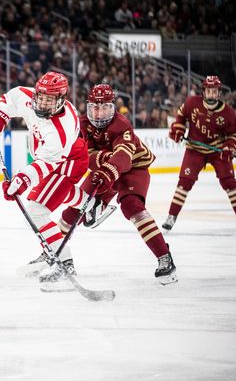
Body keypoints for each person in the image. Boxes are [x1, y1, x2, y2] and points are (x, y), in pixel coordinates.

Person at [0, 71, 91, 291]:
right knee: (41, 204)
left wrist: (22, 180)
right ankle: (87, 202)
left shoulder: (62, 128)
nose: (42, 103)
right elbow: (10, 99)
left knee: (36, 210)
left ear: (61, 100)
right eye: (41, 96)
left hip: (68, 162)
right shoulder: (32, 98)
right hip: (51, 159)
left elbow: (48, 163)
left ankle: (63, 261)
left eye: (50, 100)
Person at [57, 84, 177, 285]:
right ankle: (53, 252)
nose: (99, 112)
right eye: (95, 107)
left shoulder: (121, 125)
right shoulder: (83, 124)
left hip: (133, 169)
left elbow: (123, 157)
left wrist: (107, 168)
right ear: (88, 107)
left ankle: (164, 257)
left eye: (104, 107)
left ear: (112, 108)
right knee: (77, 206)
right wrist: (103, 162)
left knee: (132, 206)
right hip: (105, 170)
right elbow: (83, 154)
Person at [162, 75, 236, 231]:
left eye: (214, 91)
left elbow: (232, 134)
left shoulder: (228, 113)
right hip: (195, 150)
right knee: (184, 182)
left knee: (230, 184)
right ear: (203, 92)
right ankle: (172, 216)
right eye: (208, 91)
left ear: (219, 93)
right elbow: (181, 115)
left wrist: (230, 146)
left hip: (218, 151)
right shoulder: (191, 103)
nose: (211, 94)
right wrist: (178, 129)